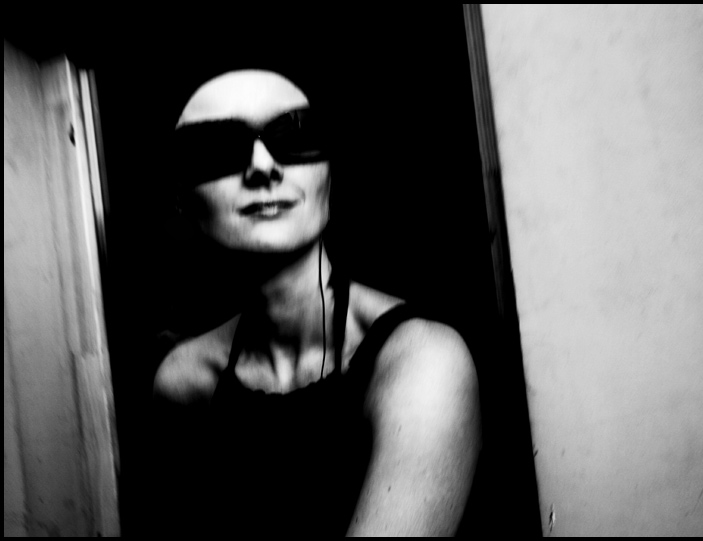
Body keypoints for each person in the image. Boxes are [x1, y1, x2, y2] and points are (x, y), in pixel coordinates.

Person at [151, 69, 481, 536]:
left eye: (295, 137)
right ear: (183, 199)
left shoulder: (424, 361)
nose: (263, 166)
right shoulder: (185, 380)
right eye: (218, 149)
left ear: (328, 173)